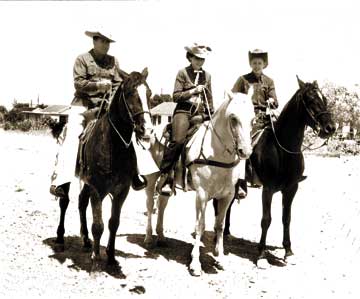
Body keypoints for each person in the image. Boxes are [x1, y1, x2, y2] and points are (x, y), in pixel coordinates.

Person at [50, 30, 146, 198]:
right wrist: (99, 86)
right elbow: (78, 83)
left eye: (108, 42)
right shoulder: (82, 59)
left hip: (106, 108)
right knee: (72, 137)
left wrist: (115, 95)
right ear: (94, 41)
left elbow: (117, 83)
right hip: (83, 106)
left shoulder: (113, 61)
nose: (106, 45)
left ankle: (135, 174)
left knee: (129, 132)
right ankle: (61, 182)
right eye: (103, 41)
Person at [157, 43, 214, 196]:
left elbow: (210, 99)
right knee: (179, 141)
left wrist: (209, 114)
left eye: (202, 59)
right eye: (197, 58)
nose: (200, 62)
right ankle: (166, 176)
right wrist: (194, 91)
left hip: (199, 113)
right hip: (183, 111)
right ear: (190, 57)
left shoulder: (207, 76)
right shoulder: (182, 73)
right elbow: (175, 96)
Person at [232, 49, 279, 192]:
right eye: (254, 63)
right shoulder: (243, 79)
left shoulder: (269, 81)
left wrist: (271, 100)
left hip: (264, 116)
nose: (257, 65)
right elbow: (234, 97)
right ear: (250, 64)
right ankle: (242, 180)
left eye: (260, 63)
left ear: (264, 64)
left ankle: (280, 173)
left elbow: (275, 102)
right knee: (246, 142)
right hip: (247, 117)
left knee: (281, 137)